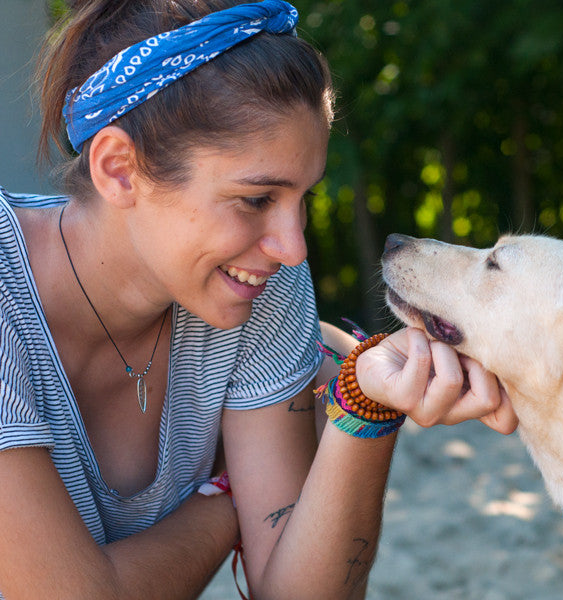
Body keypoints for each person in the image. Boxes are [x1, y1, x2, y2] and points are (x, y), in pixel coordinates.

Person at [0, 1, 517, 598]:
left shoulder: (252, 284)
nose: (292, 249)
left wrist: (362, 407)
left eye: (303, 200)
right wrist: (232, 498)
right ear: (119, 169)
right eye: (256, 199)